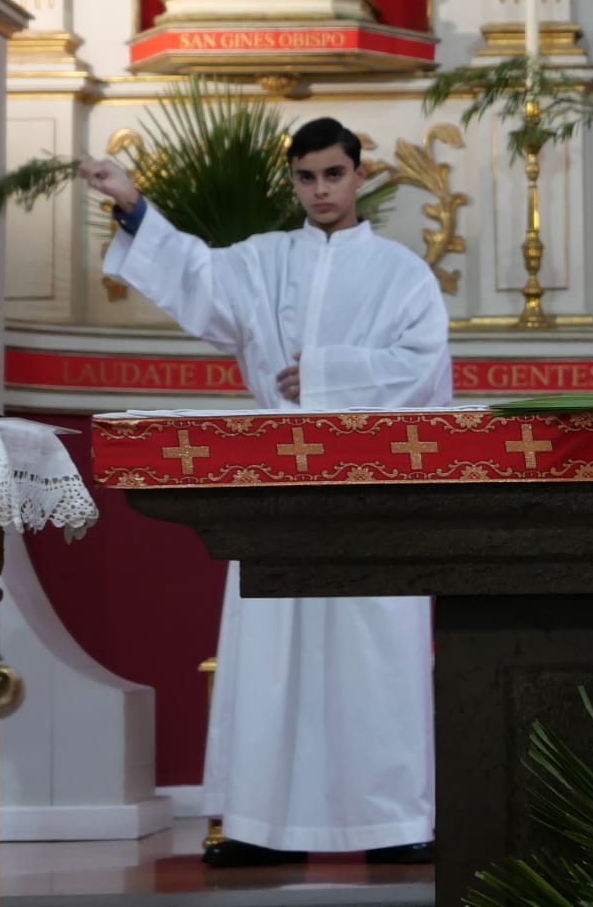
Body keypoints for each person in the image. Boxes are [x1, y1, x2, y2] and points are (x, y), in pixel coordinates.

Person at [81, 118, 445, 868]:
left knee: (375, 658)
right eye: (307, 178)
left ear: (359, 175)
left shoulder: (403, 273)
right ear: (294, 182)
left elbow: (424, 367)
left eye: (334, 175)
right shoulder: (261, 261)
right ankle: (259, 824)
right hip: (276, 477)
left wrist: (328, 374)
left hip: (369, 481)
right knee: (270, 658)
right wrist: (134, 206)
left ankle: (393, 824)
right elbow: (195, 275)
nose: (321, 190)